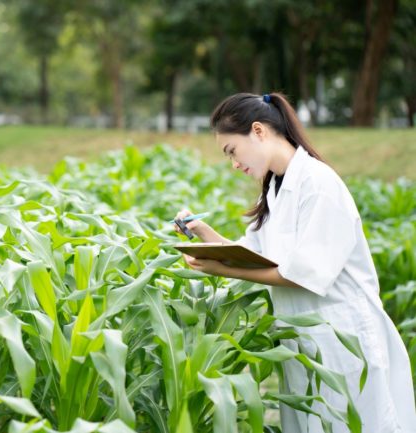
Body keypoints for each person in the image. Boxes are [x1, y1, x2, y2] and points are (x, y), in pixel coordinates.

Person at [174, 92, 416, 433]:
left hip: (343, 338)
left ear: (258, 131)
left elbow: (302, 274)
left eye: (232, 151)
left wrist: (221, 269)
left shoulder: (318, 184)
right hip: (303, 342)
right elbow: (251, 255)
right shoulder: (272, 190)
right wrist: (203, 232)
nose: (234, 163)